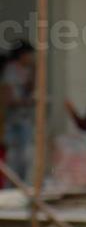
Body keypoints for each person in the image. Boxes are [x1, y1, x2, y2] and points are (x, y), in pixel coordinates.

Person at [1, 43, 37, 188]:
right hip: (12, 120)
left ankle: (18, 186)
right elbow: (7, 97)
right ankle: (11, 187)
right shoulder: (11, 70)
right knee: (14, 157)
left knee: (25, 156)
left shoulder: (25, 70)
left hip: (22, 119)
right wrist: (26, 102)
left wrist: (35, 72)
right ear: (22, 55)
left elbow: (29, 87)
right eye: (29, 55)